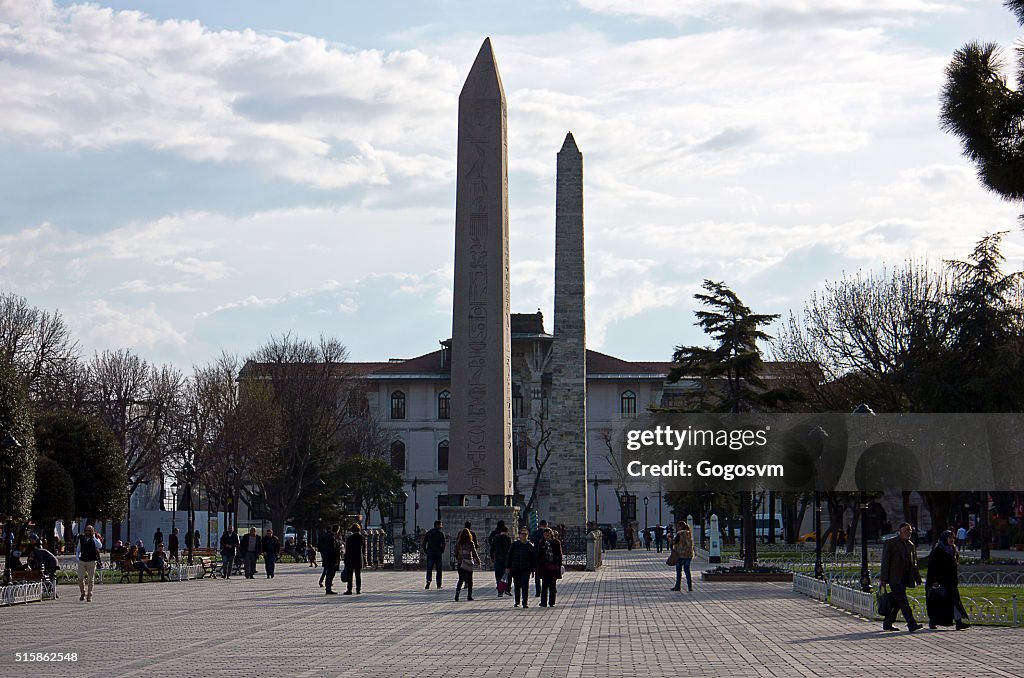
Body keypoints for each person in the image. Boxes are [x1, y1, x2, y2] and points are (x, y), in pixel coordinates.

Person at [880, 522, 923, 633]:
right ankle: (911, 623)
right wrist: (883, 579)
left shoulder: (910, 545)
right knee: (903, 600)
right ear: (899, 531)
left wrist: (917, 577)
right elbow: (885, 561)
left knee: (897, 601)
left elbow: (914, 563)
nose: (908, 533)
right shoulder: (891, 543)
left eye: (910, 531)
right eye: (906, 531)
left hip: (905, 577)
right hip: (894, 578)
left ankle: (888, 623)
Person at [926, 530, 970, 630]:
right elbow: (932, 567)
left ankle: (958, 622)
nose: (951, 540)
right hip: (941, 581)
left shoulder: (953, 549)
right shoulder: (937, 551)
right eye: (949, 538)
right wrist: (934, 581)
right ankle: (933, 621)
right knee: (939, 603)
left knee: (954, 601)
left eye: (953, 538)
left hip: (951, 582)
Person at [507, 526, 536, 608]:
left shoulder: (530, 546)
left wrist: (533, 569)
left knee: (525, 585)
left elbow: (533, 558)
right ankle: (517, 601)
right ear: (519, 535)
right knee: (516, 585)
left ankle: (525, 602)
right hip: (515, 568)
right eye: (522, 534)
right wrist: (508, 567)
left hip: (526, 568)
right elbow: (509, 556)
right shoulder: (515, 544)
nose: (523, 535)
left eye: (525, 534)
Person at [536, 527, 563, 608]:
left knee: (552, 585)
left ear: (551, 535)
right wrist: (538, 564)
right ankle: (543, 602)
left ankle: (551, 602)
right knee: (544, 585)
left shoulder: (556, 542)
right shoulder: (542, 543)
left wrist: (560, 564)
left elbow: (559, 554)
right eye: (545, 535)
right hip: (544, 565)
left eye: (548, 535)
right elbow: (539, 554)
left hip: (553, 565)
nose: (546, 537)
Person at [76, 524, 102, 602]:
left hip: (91, 561)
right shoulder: (82, 538)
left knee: (90, 579)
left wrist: (93, 537)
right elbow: (78, 549)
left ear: (92, 531)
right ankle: (82, 592)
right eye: (86, 530)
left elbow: (99, 546)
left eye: (89, 531)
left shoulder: (95, 539)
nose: (87, 532)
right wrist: (77, 558)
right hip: (82, 561)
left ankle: (89, 595)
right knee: (80, 578)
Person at [454, 527, 480, 602]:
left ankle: (457, 593)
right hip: (468, 562)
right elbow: (474, 553)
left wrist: (459, 559)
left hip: (460, 563)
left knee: (461, 579)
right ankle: (469, 595)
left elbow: (455, 553)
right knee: (470, 579)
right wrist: (478, 561)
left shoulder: (458, 543)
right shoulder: (470, 543)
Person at [670, 521, 695, 592]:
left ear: (681, 527)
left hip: (680, 555)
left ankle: (678, 586)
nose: (677, 528)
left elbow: (674, 542)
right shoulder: (689, 533)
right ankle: (690, 586)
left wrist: (670, 539)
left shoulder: (679, 534)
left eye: (678, 526)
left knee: (679, 571)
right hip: (688, 554)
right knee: (687, 570)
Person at [423, 520, 446, 589]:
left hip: (430, 553)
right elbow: (444, 544)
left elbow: (424, 543)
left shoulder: (429, 533)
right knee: (439, 569)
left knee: (429, 568)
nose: (441, 526)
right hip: (438, 553)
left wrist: (426, 551)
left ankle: (428, 581)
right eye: (440, 525)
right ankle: (438, 584)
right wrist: (442, 551)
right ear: (437, 525)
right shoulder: (441, 533)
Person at [490, 523, 512, 596]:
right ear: (506, 531)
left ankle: (500, 590)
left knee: (498, 575)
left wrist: (492, 557)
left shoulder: (496, 538)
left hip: (497, 558)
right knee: (506, 574)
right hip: (506, 559)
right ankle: (507, 589)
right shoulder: (508, 539)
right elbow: (510, 550)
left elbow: (492, 549)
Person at [343, 524, 366, 595]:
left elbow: (347, 550)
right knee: (358, 575)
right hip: (358, 558)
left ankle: (349, 589)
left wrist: (345, 559)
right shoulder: (361, 538)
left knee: (350, 575)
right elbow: (363, 549)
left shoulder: (350, 538)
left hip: (350, 558)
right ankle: (358, 589)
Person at [318, 525, 340, 594]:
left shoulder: (329, 536)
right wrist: (336, 559)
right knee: (330, 574)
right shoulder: (331, 537)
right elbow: (333, 549)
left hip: (327, 558)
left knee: (329, 573)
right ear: (337, 530)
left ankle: (328, 587)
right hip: (331, 559)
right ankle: (328, 588)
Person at [531, 520, 547, 596]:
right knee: (545, 574)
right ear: (546, 525)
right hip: (545, 556)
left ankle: (538, 591)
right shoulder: (547, 533)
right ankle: (545, 590)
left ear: (539, 525)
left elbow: (532, 541)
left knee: (537, 575)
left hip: (536, 555)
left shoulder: (535, 533)